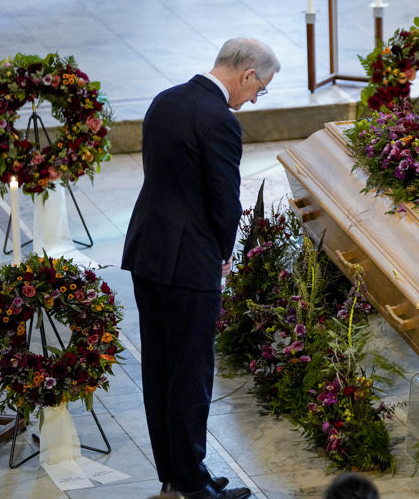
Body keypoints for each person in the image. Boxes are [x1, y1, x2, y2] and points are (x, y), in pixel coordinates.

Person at [122, 38, 279, 499]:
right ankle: (193, 486)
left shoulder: (164, 100)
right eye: (260, 89)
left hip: (148, 250)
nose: (255, 99)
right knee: (191, 375)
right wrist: (224, 254)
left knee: (160, 370)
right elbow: (224, 201)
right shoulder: (220, 120)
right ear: (247, 74)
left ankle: (177, 473)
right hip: (190, 261)